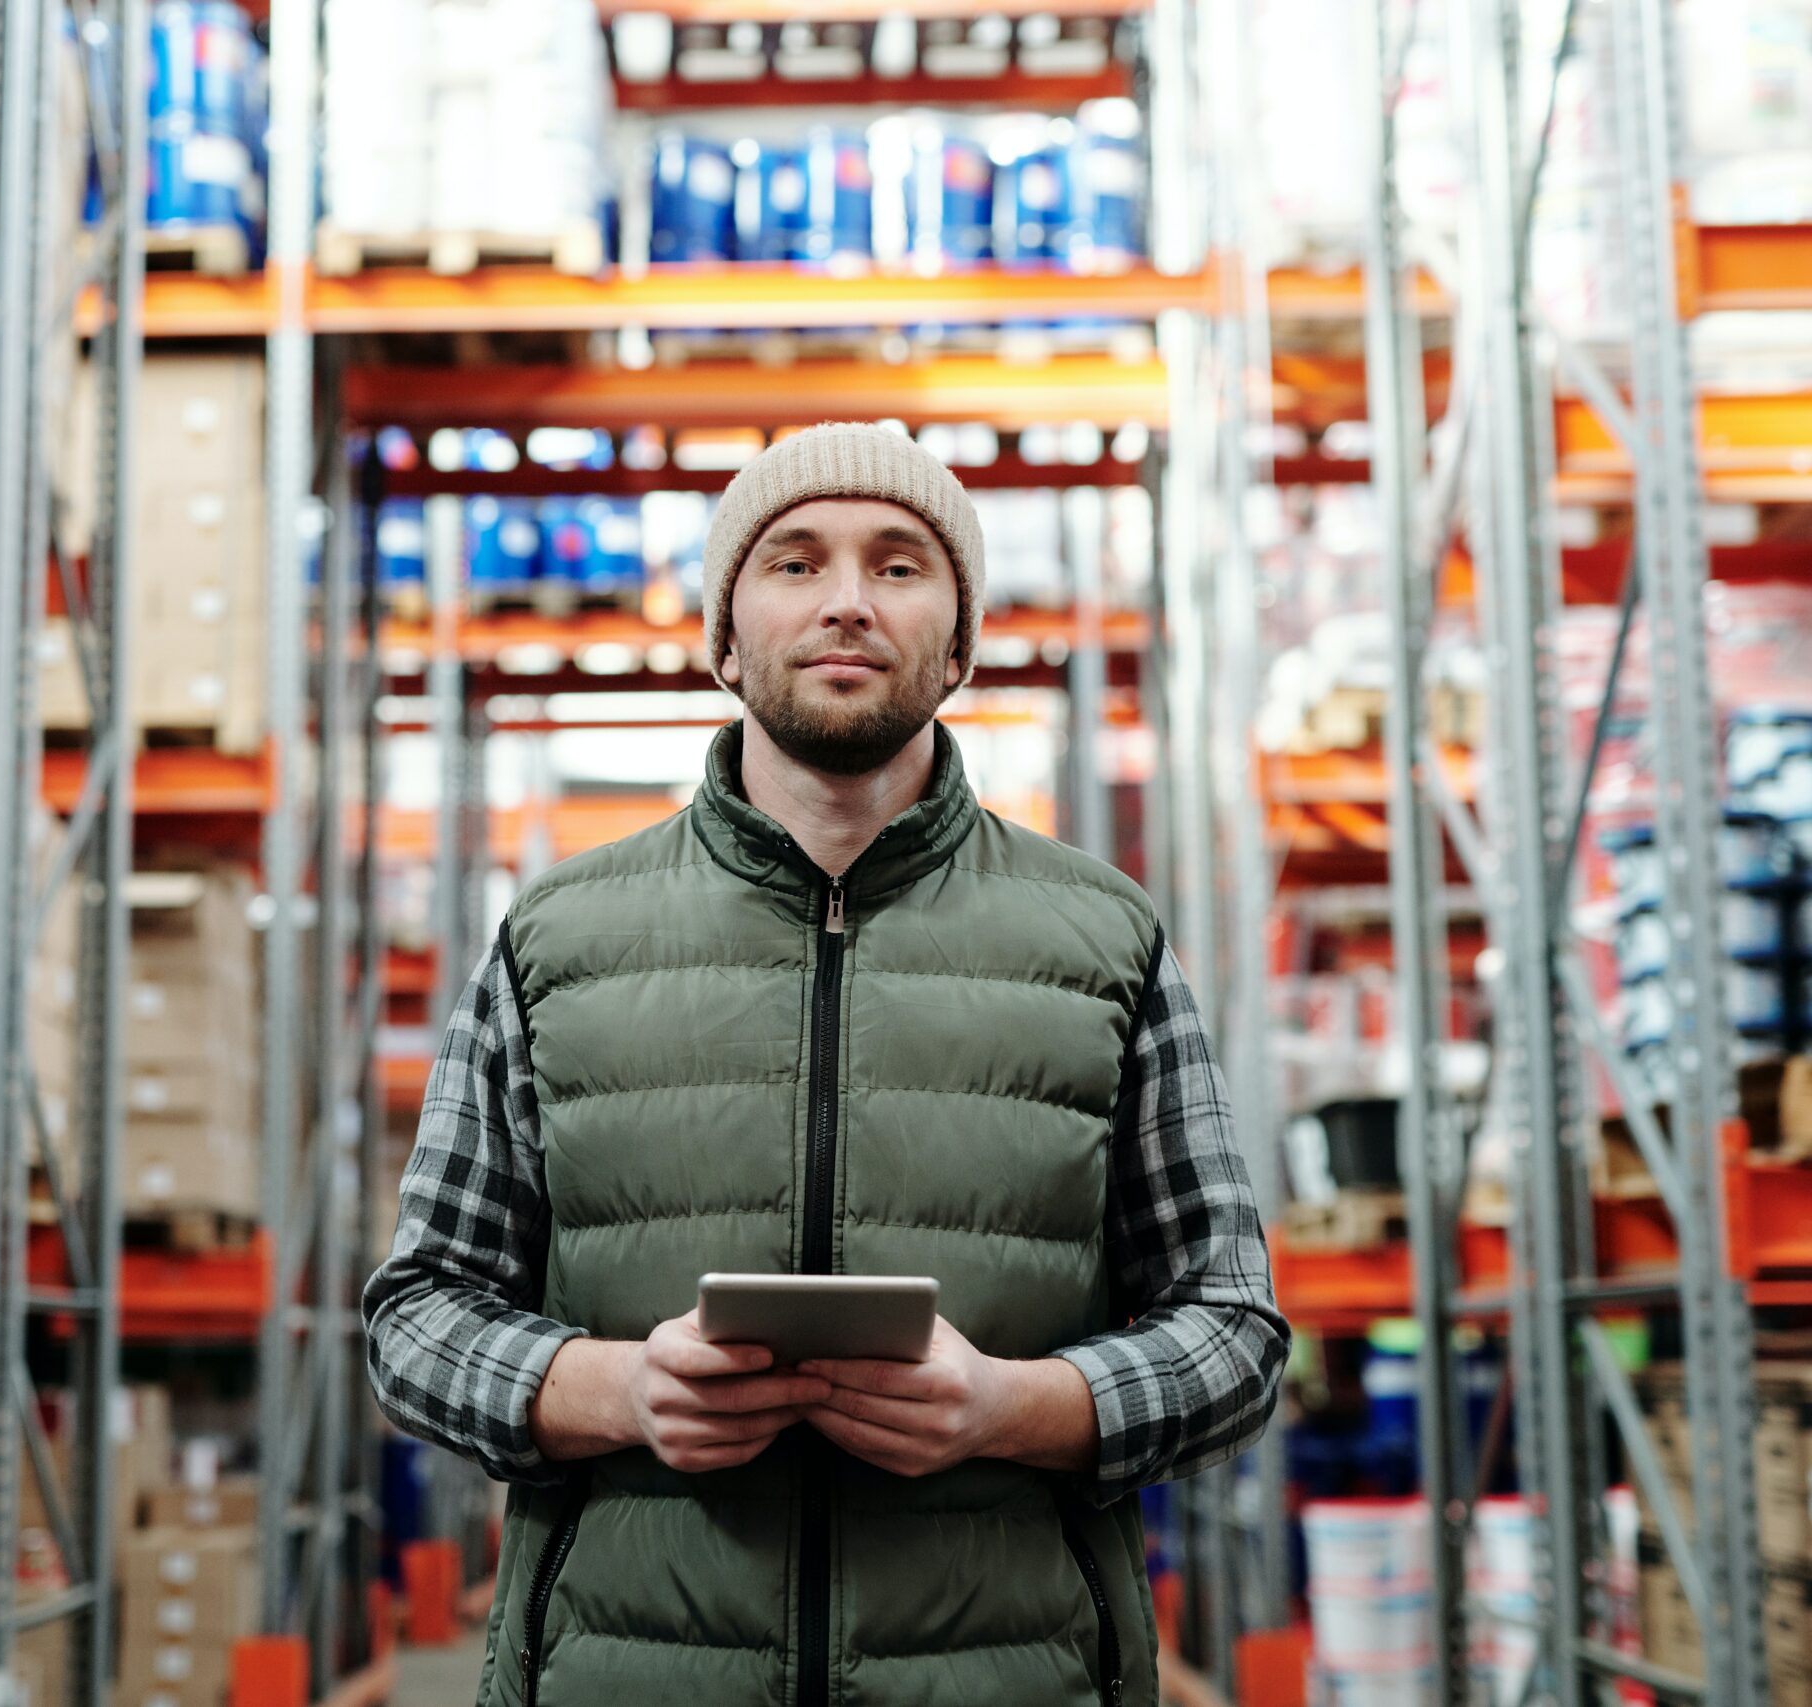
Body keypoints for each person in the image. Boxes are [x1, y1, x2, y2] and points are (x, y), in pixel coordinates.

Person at [364, 423, 1289, 1707]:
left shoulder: (1104, 941)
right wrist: (621, 1391)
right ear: (725, 637)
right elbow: (416, 1318)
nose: (848, 601)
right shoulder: (553, 942)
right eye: (794, 562)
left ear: (958, 644)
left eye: (900, 566)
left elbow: (1234, 1330)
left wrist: (1011, 1407)